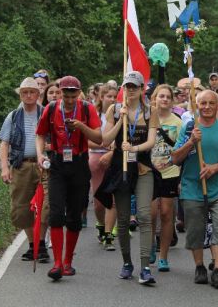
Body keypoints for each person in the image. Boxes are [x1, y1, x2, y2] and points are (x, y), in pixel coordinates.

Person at [171, 90, 218, 289]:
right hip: (192, 187)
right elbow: (175, 158)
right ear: (197, 106)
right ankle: (199, 266)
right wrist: (191, 141)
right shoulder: (189, 128)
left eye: (212, 103)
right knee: (195, 229)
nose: (207, 107)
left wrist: (216, 167)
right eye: (203, 103)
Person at [35, 75, 102, 281]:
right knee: (55, 213)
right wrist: (39, 154)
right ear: (60, 92)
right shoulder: (52, 108)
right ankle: (56, 264)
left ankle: (67, 263)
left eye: (73, 93)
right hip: (57, 164)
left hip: (79, 164)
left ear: (79, 92)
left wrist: (81, 127)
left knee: (74, 216)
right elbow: (40, 134)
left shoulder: (87, 108)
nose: (70, 98)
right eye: (66, 93)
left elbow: (98, 138)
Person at [98, 71, 159, 285]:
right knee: (122, 219)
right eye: (128, 86)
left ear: (142, 89)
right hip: (119, 168)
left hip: (142, 167)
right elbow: (105, 140)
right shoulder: (114, 109)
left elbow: (151, 142)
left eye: (135, 86)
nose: (131, 90)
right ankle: (127, 263)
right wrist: (120, 119)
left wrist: (134, 147)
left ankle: (145, 267)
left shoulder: (151, 112)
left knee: (143, 215)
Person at [0, 77, 50, 263]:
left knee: (47, 206)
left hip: (44, 166)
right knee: (21, 209)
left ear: (38, 94)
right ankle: (32, 245)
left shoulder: (46, 113)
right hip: (21, 165)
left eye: (32, 92)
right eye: (24, 92)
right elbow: (4, 144)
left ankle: (42, 243)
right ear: (20, 95)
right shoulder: (13, 116)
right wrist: (5, 168)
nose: (28, 96)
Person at [149, 85, 183, 272]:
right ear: (154, 98)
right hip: (149, 172)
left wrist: (178, 170)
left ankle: (163, 256)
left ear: (172, 100)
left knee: (166, 214)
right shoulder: (147, 119)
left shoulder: (177, 122)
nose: (164, 99)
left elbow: (181, 149)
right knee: (151, 213)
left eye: (168, 97)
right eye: (161, 96)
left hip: (170, 172)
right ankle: (152, 245)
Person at [89, 84, 118, 250]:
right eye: (109, 96)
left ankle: (108, 235)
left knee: (112, 199)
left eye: (115, 97)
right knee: (99, 201)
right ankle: (100, 224)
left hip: (114, 157)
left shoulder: (120, 114)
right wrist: (103, 143)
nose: (112, 100)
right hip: (96, 158)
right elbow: (85, 139)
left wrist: (112, 150)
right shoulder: (94, 114)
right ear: (101, 97)